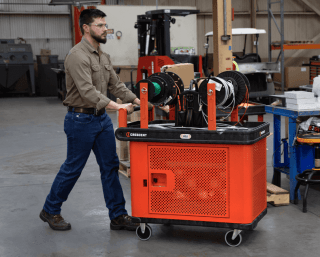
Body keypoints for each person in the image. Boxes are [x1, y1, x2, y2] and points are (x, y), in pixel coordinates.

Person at [40, 9, 140, 231]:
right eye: (100, 25)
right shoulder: (77, 56)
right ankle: (50, 209)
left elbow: (116, 85)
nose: (105, 29)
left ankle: (118, 216)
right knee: (73, 167)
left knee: (110, 166)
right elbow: (88, 92)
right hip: (80, 120)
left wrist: (139, 101)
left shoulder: (103, 56)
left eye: (105, 25)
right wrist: (118, 106)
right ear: (86, 28)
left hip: (101, 120)